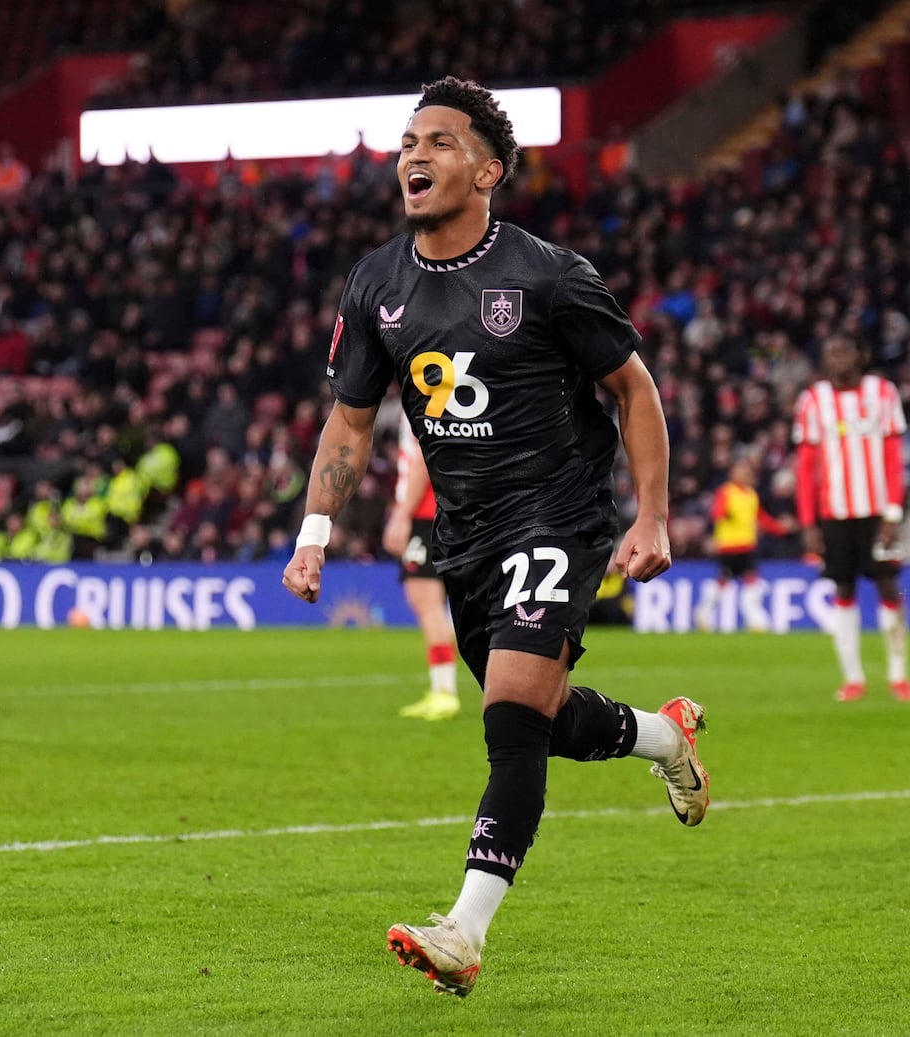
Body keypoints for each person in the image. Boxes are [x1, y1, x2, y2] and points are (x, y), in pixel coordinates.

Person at [281, 77, 708, 998]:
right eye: (406, 142)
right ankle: (662, 737)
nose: (413, 156)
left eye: (438, 141)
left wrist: (651, 513)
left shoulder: (549, 275)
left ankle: (463, 933)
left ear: (488, 170)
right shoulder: (377, 285)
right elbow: (350, 423)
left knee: (511, 717)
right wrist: (315, 529)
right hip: (464, 535)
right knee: (540, 720)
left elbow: (634, 389)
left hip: (558, 513)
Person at [793, 334, 910, 703]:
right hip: (835, 514)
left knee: (888, 587)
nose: (838, 358)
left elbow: (896, 458)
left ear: (860, 355)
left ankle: (898, 675)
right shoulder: (813, 400)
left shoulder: (883, 393)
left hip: (879, 512)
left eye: (845, 350)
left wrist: (894, 511)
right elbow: (805, 468)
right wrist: (808, 523)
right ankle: (853, 678)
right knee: (843, 590)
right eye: (832, 352)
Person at [382, 421, 461, 720]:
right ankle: (443, 688)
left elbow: (426, 454)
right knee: (437, 605)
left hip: (426, 513)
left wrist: (402, 515)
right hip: (445, 507)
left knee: (425, 599)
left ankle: (444, 692)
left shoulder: (418, 393)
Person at [696, 456, 791, 631]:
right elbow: (717, 513)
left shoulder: (751, 495)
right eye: (741, 470)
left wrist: (780, 528)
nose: (745, 474)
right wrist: (724, 513)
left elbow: (761, 518)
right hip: (729, 546)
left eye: (747, 471)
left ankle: (754, 620)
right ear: (733, 473)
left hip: (748, 546)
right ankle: (704, 612)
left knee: (752, 582)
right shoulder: (726, 492)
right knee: (724, 582)